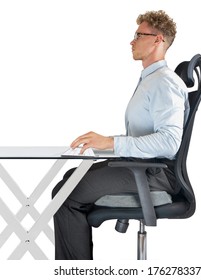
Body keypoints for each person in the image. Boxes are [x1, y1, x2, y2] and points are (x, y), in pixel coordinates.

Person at [52, 10, 189, 260]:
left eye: (139, 35)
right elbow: (144, 135)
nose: (132, 41)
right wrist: (106, 142)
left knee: (64, 194)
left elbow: (169, 142)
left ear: (158, 40)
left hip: (153, 175)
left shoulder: (163, 83)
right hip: (144, 168)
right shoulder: (151, 80)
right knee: (70, 177)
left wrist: (112, 143)